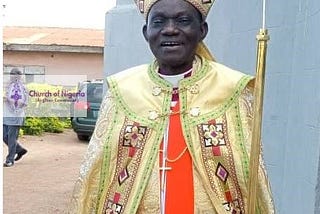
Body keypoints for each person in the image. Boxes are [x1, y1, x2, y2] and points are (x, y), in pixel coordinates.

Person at [69, 0, 274, 213]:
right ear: (146, 32)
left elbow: (248, 176)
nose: (170, 30)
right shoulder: (123, 91)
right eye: (158, 22)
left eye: (183, 20)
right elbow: (100, 174)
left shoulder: (231, 89)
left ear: (202, 30)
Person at [3, 68, 28, 167]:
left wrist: (9, 100)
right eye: (11, 74)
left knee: (11, 138)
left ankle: (10, 160)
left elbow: (24, 102)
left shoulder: (23, 88)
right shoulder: (7, 86)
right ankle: (19, 150)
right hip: (5, 115)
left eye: (15, 75)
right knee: (4, 136)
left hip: (16, 116)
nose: (12, 76)